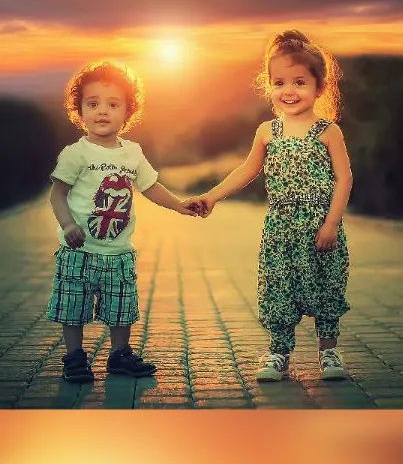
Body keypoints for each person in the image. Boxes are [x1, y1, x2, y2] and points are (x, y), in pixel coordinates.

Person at [184, 30, 353, 382]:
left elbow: (344, 179)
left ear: (319, 87)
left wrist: (332, 223)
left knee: (327, 287)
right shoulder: (267, 131)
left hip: (320, 224)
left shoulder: (327, 131)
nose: (288, 91)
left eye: (299, 82)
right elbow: (246, 170)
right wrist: (211, 196)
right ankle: (278, 354)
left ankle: (329, 353)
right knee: (278, 289)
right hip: (280, 227)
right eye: (279, 82)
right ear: (269, 85)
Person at [46, 60, 197, 383]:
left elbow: (151, 187)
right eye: (93, 104)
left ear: (127, 113)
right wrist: (69, 225)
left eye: (113, 105)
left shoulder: (132, 154)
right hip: (79, 251)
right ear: (80, 111)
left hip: (118, 251)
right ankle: (74, 358)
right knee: (73, 305)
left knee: (122, 306)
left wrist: (180, 205)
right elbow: (57, 195)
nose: (102, 111)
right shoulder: (77, 154)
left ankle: (120, 356)